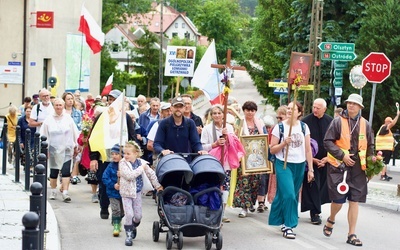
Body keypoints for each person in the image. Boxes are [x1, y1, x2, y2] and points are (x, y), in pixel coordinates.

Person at [323, 94, 374, 246]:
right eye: (349, 103)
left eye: (354, 104)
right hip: (339, 166)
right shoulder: (337, 121)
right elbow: (327, 141)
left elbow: (371, 144)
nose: (351, 106)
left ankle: (351, 234)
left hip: (358, 168)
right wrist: (342, 156)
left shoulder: (366, 124)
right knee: (338, 201)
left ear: (360, 107)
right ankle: (331, 218)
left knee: (354, 200)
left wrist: (371, 162)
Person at [268, 101, 314, 239]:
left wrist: (310, 169)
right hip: (283, 164)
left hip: (299, 165)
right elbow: (272, 149)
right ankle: (289, 226)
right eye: (288, 108)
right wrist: (284, 143)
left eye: (293, 109)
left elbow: (307, 150)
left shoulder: (304, 127)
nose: (289, 110)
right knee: (289, 195)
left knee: (291, 195)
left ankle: (282, 219)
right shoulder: (279, 127)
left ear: (299, 113)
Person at [89, 89, 138, 220]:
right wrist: (93, 158)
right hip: (104, 155)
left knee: (122, 181)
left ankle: (119, 208)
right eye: (110, 99)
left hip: (123, 155)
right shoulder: (102, 117)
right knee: (105, 182)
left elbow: (132, 137)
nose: (112, 102)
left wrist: (134, 155)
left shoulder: (126, 118)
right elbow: (94, 137)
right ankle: (104, 207)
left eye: (114, 100)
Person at [119, 141, 163, 246]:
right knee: (129, 214)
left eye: (128, 153)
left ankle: (133, 226)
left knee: (138, 216)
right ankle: (128, 234)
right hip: (126, 193)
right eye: (124, 153)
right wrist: (141, 169)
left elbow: (151, 174)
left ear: (136, 153)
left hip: (137, 192)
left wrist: (157, 186)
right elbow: (129, 175)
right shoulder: (122, 163)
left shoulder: (142, 163)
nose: (126, 156)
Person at [201, 104, 236, 223]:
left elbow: (234, 144)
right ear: (211, 116)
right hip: (212, 162)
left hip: (225, 162)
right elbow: (202, 145)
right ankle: (212, 209)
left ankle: (222, 211)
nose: (217, 115)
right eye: (214, 113)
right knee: (213, 185)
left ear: (223, 115)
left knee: (225, 187)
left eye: (219, 113)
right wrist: (214, 144)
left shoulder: (229, 128)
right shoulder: (207, 129)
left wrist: (228, 136)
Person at [301, 98, 333, 225]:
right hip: (310, 160)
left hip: (326, 160)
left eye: (318, 108)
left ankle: (317, 209)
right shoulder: (305, 122)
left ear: (324, 109)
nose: (315, 110)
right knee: (312, 186)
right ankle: (315, 213)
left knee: (322, 187)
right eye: (314, 107)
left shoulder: (331, 122)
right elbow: (302, 143)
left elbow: (336, 142)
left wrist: (328, 158)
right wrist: (312, 160)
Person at [41, 98, 79, 202]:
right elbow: (44, 134)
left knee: (66, 171)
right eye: (56, 105)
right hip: (53, 149)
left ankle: (65, 192)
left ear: (63, 106)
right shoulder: (48, 119)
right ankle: (53, 191)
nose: (58, 107)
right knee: (54, 172)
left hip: (67, 149)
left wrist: (76, 145)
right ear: (54, 106)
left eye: (60, 105)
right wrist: (45, 148)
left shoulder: (68, 118)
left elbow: (75, 132)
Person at [233, 101, 267, 218]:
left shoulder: (260, 123)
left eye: (252, 110)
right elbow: (235, 137)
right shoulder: (239, 122)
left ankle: (251, 202)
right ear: (244, 111)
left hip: (257, 158)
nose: (250, 112)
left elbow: (264, 139)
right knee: (244, 182)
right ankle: (244, 207)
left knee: (255, 182)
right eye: (248, 110)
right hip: (243, 158)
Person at [102, 144, 124, 237]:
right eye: (113, 154)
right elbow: (104, 177)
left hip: (124, 193)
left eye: (117, 154)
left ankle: (117, 220)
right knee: (116, 210)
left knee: (123, 212)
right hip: (112, 192)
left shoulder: (125, 166)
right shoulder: (110, 166)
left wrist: (122, 174)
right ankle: (116, 226)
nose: (114, 156)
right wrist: (113, 185)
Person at [62, 92, 84, 185]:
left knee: (76, 158)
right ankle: (64, 177)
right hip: (63, 139)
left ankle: (74, 176)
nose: (70, 101)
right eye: (68, 99)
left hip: (75, 138)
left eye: (72, 99)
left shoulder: (77, 112)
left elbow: (80, 127)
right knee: (64, 159)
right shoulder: (61, 112)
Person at [375, 110, 400, 181]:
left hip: (384, 148)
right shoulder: (385, 127)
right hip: (384, 148)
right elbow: (392, 124)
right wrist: (397, 115)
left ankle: (384, 174)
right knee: (384, 162)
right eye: (390, 122)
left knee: (385, 162)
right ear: (388, 122)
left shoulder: (384, 129)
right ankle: (383, 175)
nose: (391, 123)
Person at [18, 106, 37, 175]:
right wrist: (20, 142)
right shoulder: (21, 120)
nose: (29, 113)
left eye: (30, 111)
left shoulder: (35, 119)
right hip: (24, 139)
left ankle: (30, 169)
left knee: (31, 153)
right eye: (27, 111)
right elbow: (18, 131)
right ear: (25, 112)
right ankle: (26, 167)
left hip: (33, 139)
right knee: (24, 155)